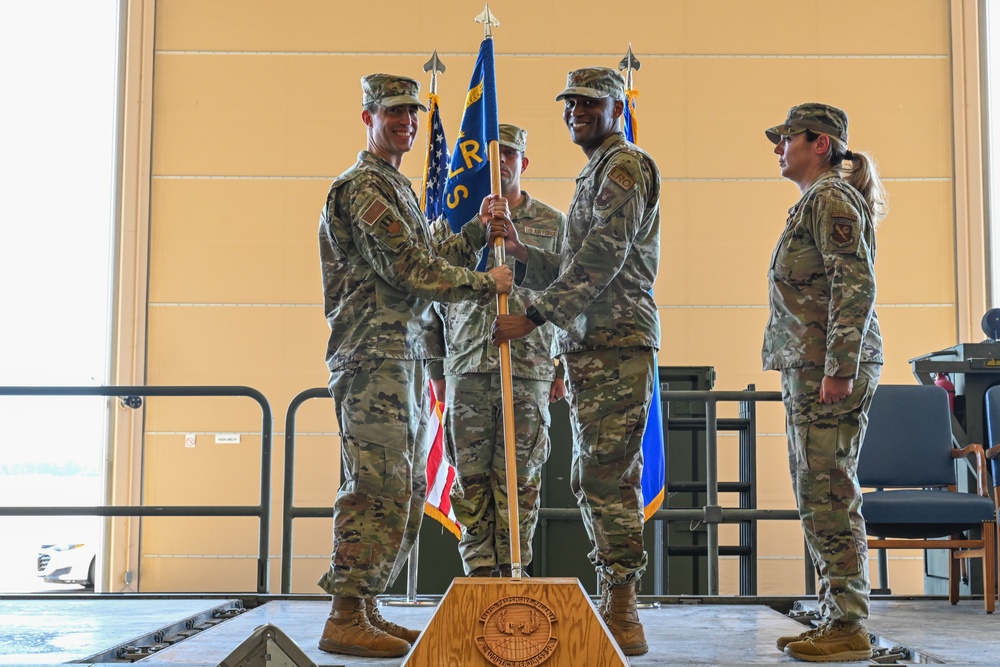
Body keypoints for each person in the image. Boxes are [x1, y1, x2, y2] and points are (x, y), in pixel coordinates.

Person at [316, 72, 513, 659]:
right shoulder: (362, 189)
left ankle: (366, 604)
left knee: (406, 485)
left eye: (412, 114)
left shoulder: (396, 187)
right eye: (393, 113)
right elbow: (409, 270)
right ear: (368, 118)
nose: (406, 122)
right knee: (374, 485)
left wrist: (478, 228)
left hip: (398, 356)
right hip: (371, 357)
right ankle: (345, 612)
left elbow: (425, 256)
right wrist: (486, 283)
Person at [490, 67, 660, 657]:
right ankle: (615, 596)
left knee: (607, 477)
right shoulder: (595, 170)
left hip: (617, 343)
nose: (575, 112)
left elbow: (602, 258)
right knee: (593, 475)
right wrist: (520, 253)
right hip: (592, 345)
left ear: (617, 106)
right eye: (569, 104)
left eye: (588, 103)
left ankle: (622, 607)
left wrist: (533, 317)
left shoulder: (624, 166)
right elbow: (570, 259)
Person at [762, 103, 886, 663]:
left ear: (820, 143)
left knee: (830, 491)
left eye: (787, 138)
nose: (778, 147)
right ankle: (836, 615)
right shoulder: (816, 201)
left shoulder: (832, 198)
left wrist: (840, 366)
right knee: (817, 493)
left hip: (827, 369)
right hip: (810, 365)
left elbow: (854, 283)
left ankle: (851, 625)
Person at [435, 123, 567, 579]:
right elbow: (431, 293)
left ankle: (514, 569)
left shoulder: (552, 223)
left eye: (510, 153)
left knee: (519, 480)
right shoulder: (453, 221)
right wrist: (436, 366)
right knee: (470, 480)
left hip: (528, 367)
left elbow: (572, 291)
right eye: (493, 154)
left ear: (523, 163)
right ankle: (478, 574)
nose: (501, 162)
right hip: (466, 366)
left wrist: (561, 364)